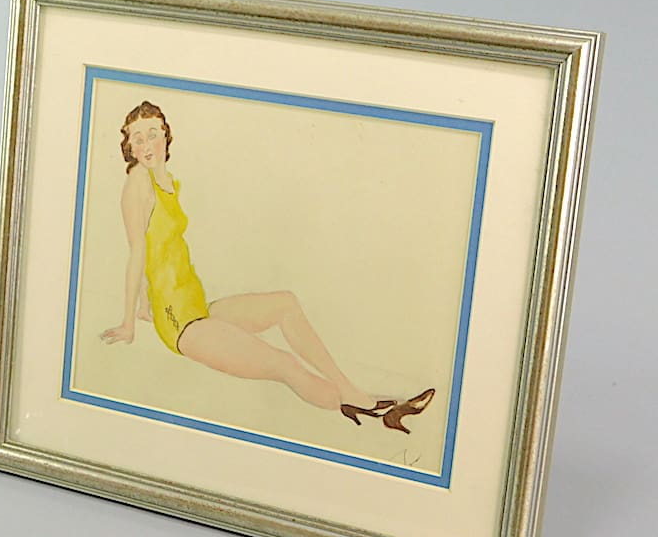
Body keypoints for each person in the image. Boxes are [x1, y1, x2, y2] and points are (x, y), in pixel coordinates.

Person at [99, 100, 434, 433]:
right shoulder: (138, 183)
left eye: (152, 134)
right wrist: (129, 321)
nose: (146, 144)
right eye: (137, 138)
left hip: (195, 305)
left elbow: (159, 246)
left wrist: (144, 301)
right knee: (284, 364)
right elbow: (137, 251)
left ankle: (351, 392)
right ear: (129, 147)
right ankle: (367, 408)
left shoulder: (166, 182)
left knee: (285, 304)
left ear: (166, 136)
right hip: (180, 323)